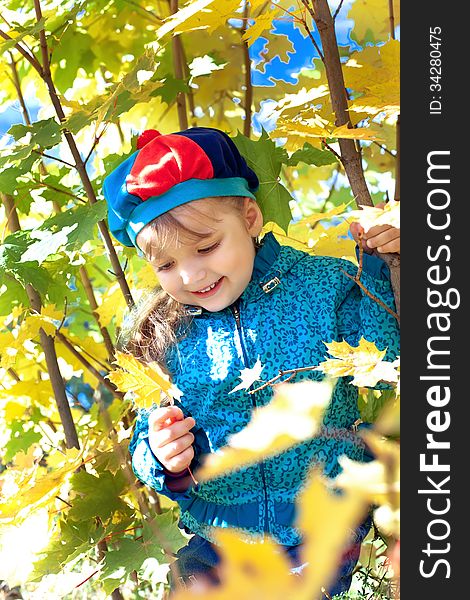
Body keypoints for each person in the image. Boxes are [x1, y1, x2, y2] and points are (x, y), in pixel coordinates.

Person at [103, 126, 400, 595]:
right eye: (165, 266)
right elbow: (147, 433)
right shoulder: (165, 333)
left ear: (251, 216)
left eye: (206, 247)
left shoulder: (324, 287)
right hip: (218, 533)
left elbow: (389, 361)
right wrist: (163, 459)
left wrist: (389, 265)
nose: (191, 273)